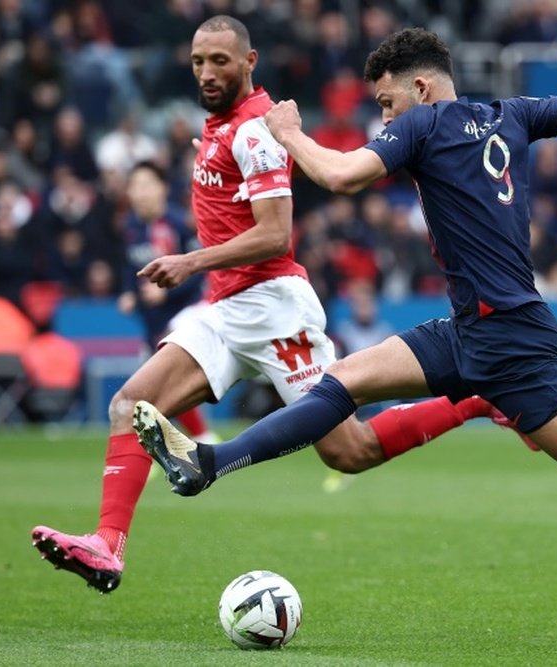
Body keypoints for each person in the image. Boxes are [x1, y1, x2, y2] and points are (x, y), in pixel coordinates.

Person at [135, 27, 557, 615]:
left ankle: (211, 462)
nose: (384, 119)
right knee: (344, 384)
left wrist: (289, 134)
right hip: (490, 324)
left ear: (423, 89)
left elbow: (342, 176)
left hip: (499, 335)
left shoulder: (425, 123)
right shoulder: (513, 112)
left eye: (386, 103)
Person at [31, 16, 502, 594]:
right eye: (199, 60)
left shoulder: (255, 129)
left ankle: (477, 399)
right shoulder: (219, 124)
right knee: (130, 404)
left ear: (249, 62)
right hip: (227, 308)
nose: (207, 72)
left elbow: (277, 234)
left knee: (349, 450)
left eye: (220, 61)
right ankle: (107, 546)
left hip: (276, 307)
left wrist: (190, 261)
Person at [116, 160, 217, 443]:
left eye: (147, 185)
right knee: (156, 389)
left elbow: (200, 269)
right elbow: (128, 266)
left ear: (163, 188)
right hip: (152, 317)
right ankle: (168, 447)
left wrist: (167, 292)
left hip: (187, 311)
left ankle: (204, 438)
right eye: (135, 186)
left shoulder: (180, 224)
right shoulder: (131, 226)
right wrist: (127, 292)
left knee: (161, 381)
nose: (141, 192)